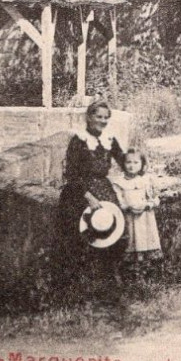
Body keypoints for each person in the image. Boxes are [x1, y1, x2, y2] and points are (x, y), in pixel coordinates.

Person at [59, 99, 127, 275]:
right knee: (82, 235)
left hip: (103, 188)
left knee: (114, 228)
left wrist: (138, 175)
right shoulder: (79, 141)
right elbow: (72, 174)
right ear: (89, 117)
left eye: (106, 118)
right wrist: (88, 197)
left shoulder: (109, 140)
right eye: (99, 117)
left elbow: (124, 161)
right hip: (80, 191)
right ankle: (82, 279)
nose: (103, 121)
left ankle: (108, 276)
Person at [116, 149, 162, 274]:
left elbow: (156, 199)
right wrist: (127, 207)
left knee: (145, 240)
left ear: (142, 164)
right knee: (131, 240)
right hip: (129, 218)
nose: (132, 166)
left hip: (145, 218)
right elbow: (119, 201)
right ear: (123, 163)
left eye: (136, 162)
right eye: (128, 162)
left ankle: (146, 272)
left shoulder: (146, 181)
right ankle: (131, 273)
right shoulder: (119, 183)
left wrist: (147, 205)